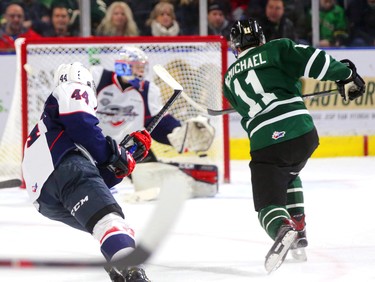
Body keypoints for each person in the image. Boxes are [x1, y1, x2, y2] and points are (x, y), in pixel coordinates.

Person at [224, 19, 365, 273]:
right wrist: (346, 75)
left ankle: (283, 227)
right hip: (303, 133)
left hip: (267, 143)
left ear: (235, 46)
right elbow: (315, 60)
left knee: (267, 203)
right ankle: (298, 231)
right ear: (261, 39)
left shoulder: (228, 79)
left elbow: (247, 111)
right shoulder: (277, 48)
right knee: (289, 172)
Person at [21, 62, 152, 281]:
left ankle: (118, 264)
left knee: (105, 224)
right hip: (64, 166)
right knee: (109, 222)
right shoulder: (72, 86)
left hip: (44, 200)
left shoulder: (48, 128)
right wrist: (113, 154)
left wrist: (123, 162)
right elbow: (81, 125)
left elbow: (95, 181)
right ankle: (131, 271)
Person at [91, 46, 217, 199]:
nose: (141, 72)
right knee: (93, 181)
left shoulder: (148, 90)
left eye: (142, 68)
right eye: (137, 67)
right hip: (97, 146)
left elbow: (158, 123)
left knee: (152, 184)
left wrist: (179, 132)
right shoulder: (97, 79)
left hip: (129, 148)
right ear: (122, 66)